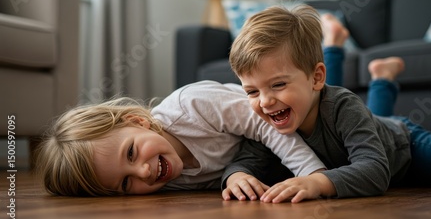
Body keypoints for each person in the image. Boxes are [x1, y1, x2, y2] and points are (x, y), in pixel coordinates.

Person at [223, 4, 431, 203]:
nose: (266, 101)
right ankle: (383, 79)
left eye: (278, 85)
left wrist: (318, 182)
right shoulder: (268, 120)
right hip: (373, 125)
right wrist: (237, 177)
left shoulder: (343, 106)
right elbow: (246, 161)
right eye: (251, 91)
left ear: (317, 77)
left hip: (402, 146)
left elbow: (376, 170)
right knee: (373, 118)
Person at [35, 81, 327, 196]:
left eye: (131, 153)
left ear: (138, 121)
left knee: (355, 122)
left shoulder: (192, 106)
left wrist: (313, 175)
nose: (144, 172)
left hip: (296, 118)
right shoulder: (165, 181)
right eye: (126, 183)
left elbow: (265, 126)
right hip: (269, 160)